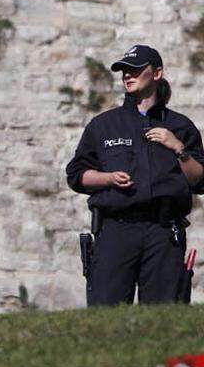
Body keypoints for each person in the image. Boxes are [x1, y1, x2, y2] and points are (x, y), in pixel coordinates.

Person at [66, 44, 204, 305]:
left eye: (135, 70)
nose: (127, 76)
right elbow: (76, 176)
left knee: (165, 317)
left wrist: (178, 148)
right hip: (116, 229)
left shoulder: (180, 126)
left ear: (157, 73)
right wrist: (107, 179)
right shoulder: (103, 125)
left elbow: (199, 181)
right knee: (106, 315)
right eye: (124, 71)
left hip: (164, 232)